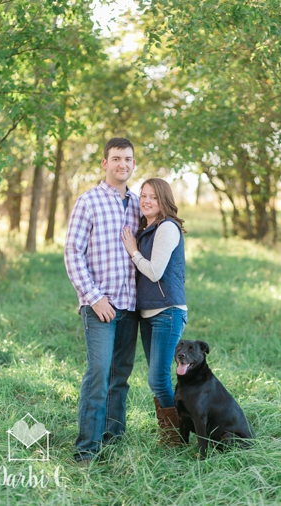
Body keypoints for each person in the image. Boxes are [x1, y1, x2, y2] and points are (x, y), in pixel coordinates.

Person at [65, 137, 142, 464]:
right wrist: (94, 298)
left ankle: (113, 436)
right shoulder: (89, 201)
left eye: (127, 159)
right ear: (104, 163)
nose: (122, 164)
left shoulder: (140, 204)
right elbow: (72, 253)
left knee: (120, 376)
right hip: (100, 306)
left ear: (133, 164)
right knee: (98, 374)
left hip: (130, 305)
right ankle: (86, 450)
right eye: (116, 159)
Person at [120, 178, 188, 447]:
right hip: (149, 314)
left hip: (167, 312)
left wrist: (133, 251)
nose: (146, 201)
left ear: (164, 201)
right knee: (158, 379)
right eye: (143, 196)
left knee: (158, 378)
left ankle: (175, 438)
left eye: (153, 197)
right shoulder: (148, 227)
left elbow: (154, 271)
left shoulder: (168, 228)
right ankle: (172, 434)